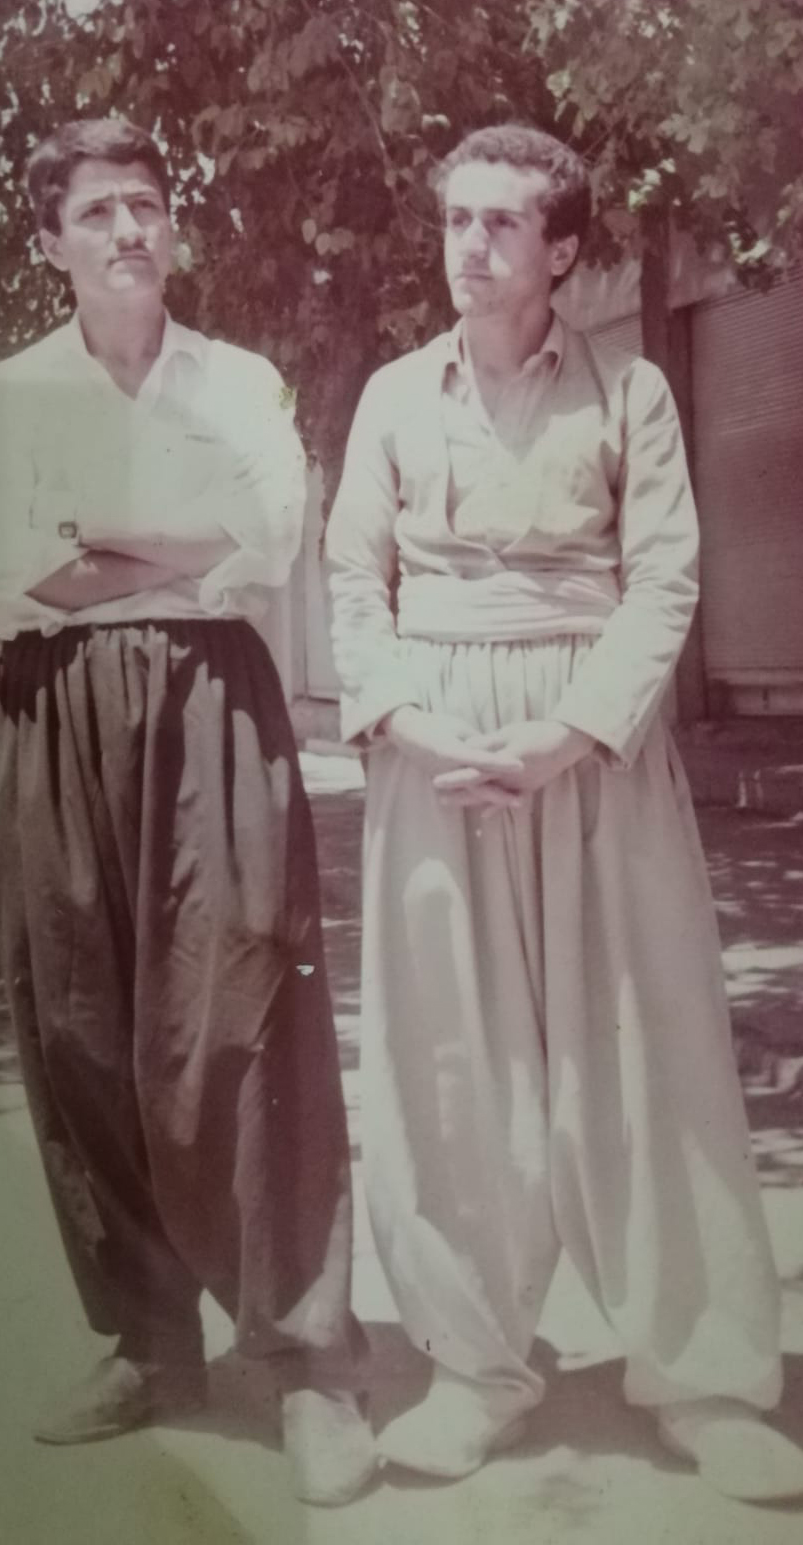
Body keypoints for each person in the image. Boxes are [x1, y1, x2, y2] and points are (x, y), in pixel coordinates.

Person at [325, 123, 803, 1503]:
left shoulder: (632, 394)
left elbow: (666, 582)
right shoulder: (391, 400)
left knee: (646, 1050)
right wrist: (410, 724)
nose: (470, 247)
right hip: (436, 751)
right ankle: (476, 1369)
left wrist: (569, 733)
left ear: (563, 251)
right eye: (456, 220)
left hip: (591, 752)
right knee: (451, 1058)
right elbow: (354, 585)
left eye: (502, 224)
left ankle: (703, 1377)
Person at [0, 118, 375, 1507]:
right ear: (50, 242)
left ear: (173, 228)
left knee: (246, 1007)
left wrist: (94, 537)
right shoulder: (7, 396)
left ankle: (305, 1357)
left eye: (147, 204)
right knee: (79, 1023)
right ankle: (150, 1342)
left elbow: (268, 538)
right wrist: (175, 541)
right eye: (98, 211)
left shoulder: (238, 380)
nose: (130, 229)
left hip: (213, 706)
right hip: (55, 716)